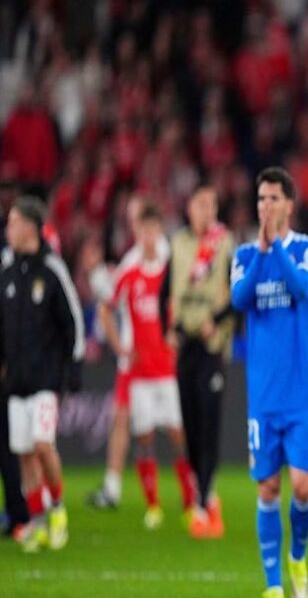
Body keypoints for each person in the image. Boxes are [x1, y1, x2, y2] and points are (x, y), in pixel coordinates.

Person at [231, 167, 308, 598]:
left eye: (272, 199)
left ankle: (298, 557)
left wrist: (277, 250)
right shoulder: (246, 255)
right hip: (263, 399)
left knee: (302, 488)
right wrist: (264, 251)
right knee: (268, 487)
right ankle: (272, 585)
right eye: (260, 199)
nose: (265, 206)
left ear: (289, 203)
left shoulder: (307, 249)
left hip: (300, 397)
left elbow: (302, 289)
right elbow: (239, 299)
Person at [100, 204, 196, 529]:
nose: (148, 237)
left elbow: (185, 304)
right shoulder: (128, 273)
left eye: (153, 231)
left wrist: (178, 336)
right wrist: (119, 346)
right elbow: (104, 309)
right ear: (137, 234)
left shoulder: (170, 270)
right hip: (140, 373)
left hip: (167, 371)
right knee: (143, 438)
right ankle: (153, 506)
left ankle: (189, 501)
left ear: (159, 232)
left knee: (177, 435)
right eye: (142, 232)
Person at [0, 196, 84, 552]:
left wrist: (73, 368)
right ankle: (35, 520)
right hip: (15, 381)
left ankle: (58, 509)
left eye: (13, 223)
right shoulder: (5, 273)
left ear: (31, 228)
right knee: (24, 454)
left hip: (47, 378)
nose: (8, 230)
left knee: (42, 444)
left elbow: (73, 323)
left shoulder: (52, 270)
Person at [159, 187, 235, 539]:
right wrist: (168, 329)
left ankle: (204, 499)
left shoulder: (225, 244)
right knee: (190, 421)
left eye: (212, 204)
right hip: (186, 343)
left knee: (209, 420)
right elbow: (166, 291)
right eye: (201, 204)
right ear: (189, 208)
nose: (207, 211)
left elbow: (239, 291)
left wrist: (217, 320)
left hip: (212, 344)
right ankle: (202, 492)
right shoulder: (178, 244)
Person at [87, 195, 170, 509]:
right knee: (124, 419)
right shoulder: (137, 257)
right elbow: (110, 301)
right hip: (135, 356)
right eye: (132, 219)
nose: (135, 225)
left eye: (138, 218)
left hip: (154, 356)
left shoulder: (152, 256)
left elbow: (110, 299)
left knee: (165, 426)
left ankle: (195, 489)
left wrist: (97, 276)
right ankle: (114, 487)